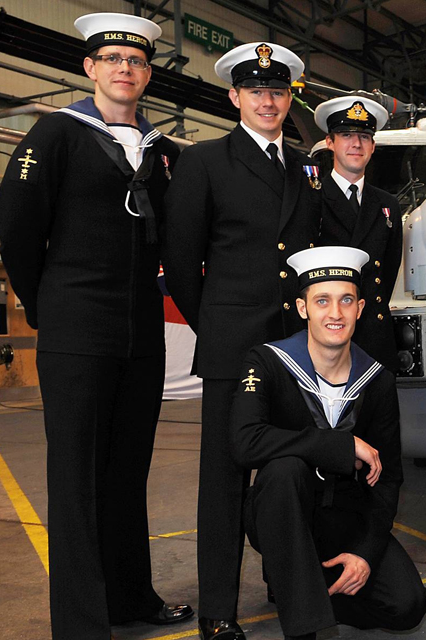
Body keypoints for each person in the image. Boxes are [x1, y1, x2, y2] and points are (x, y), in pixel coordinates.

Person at [0, 11, 192, 638]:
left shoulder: (161, 151)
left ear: (147, 73)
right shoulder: (56, 133)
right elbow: (17, 229)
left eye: (135, 61)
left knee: (127, 470)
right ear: (89, 67)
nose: (124, 69)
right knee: (75, 477)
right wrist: (47, 304)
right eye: (112, 59)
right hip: (76, 330)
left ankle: (130, 597)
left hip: (140, 335)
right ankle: (81, 622)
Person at [161, 41, 320, 640]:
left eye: (278, 91)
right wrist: (219, 325)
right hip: (235, 344)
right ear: (234, 97)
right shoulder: (206, 161)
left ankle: (287, 581)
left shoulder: (307, 166)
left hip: (294, 347)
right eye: (256, 90)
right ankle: (218, 610)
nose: (268, 100)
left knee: (293, 470)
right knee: (224, 481)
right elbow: (181, 260)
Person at [230, 246, 426, 640]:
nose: (335, 314)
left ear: (360, 308)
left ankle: (295, 584)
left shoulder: (377, 379)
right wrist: (339, 446)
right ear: (302, 308)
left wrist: (364, 553)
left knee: (407, 607)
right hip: (285, 514)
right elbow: (245, 442)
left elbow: (387, 480)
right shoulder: (267, 362)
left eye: (346, 301)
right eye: (322, 301)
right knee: (285, 469)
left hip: (345, 522)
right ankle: (305, 625)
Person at [314, 96, 402, 371]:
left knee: (379, 413)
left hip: (375, 336)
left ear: (373, 146)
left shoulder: (388, 204)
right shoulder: (311, 199)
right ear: (330, 142)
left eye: (364, 136)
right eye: (346, 135)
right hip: (326, 334)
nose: (356, 144)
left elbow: (388, 270)